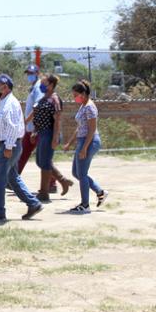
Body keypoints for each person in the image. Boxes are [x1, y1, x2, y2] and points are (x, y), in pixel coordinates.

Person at [0, 74, 43, 222]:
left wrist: (8, 146)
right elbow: (2, 127)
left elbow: (13, 128)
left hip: (10, 145)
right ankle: (33, 203)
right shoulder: (4, 102)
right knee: (12, 177)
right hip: (9, 144)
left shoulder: (10, 103)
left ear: (6, 87)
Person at [63, 80, 108, 214]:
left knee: (81, 174)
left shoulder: (89, 107)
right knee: (76, 173)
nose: (74, 97)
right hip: (82, 141)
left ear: (83, 94)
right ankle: (100, 192)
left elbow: (92, 129)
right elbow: (80, 128)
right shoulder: (83, 106)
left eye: (75, 95)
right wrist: (70, 143)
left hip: (89, 141)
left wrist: (84, 148)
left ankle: (85, 205)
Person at [29, 74, 74, 201]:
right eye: (41, 83)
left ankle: (44, 192)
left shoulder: (55, 99)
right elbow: (38, 116)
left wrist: (55, 138)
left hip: (49, 134)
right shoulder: (44, 98)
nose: (42, 86)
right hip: (41, 133)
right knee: (40, 162)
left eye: (44, 83)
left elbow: (57, 120)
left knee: (45, 163)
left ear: (51, 85)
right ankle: (63, 180)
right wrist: (35, 131)